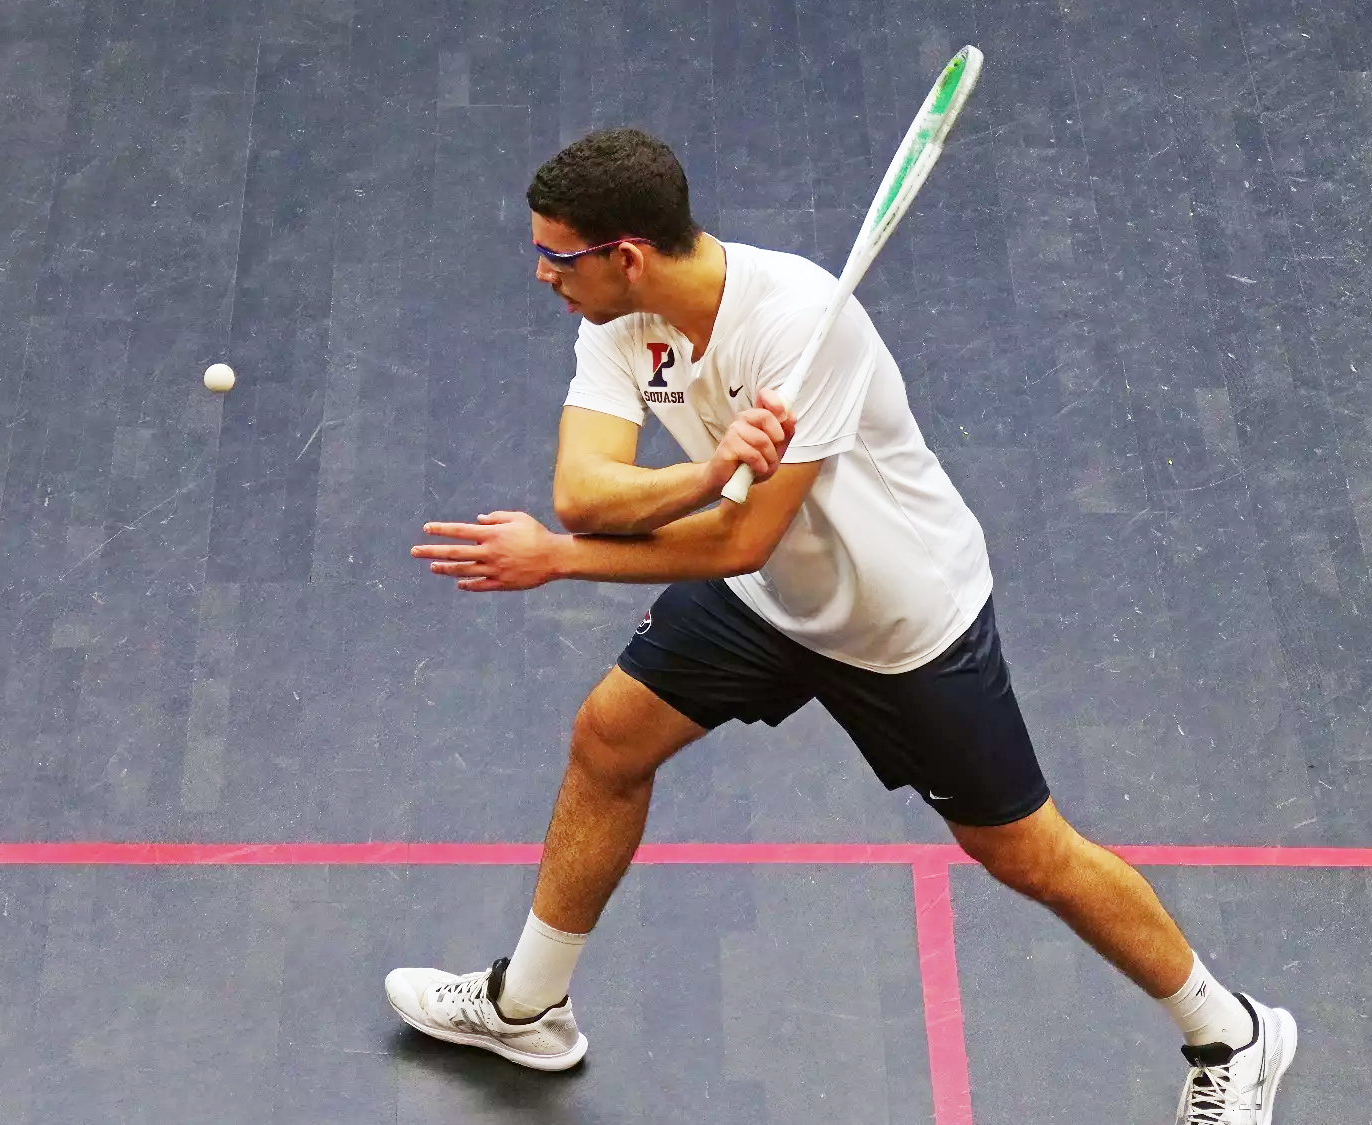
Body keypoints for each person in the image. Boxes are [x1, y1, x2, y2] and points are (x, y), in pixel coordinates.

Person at [384, 128, 1295, 1123]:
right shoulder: (617, 319)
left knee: (1021, 852)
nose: (541, 274)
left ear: (626, 254)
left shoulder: (801, 327)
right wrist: (700, 465)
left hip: (896, 617)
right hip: (767, 597)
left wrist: (560, 561)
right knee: (608, 738)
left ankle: (1235, 1032)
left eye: (555, 256)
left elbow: (734, 540)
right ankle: (527, 1008)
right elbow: (584, 493)